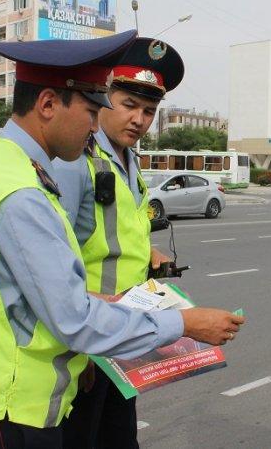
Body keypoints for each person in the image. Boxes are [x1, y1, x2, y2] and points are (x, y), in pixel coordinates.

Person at [0, 32, 244, 449]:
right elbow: (73, 318)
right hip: (11, 400)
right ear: (46, 104)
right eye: (91, 110)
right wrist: (185, 324)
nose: (96, 125)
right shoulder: (25, 192)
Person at [52, 37, 188, 448]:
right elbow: (56, 257)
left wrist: (149, 253)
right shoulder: (77, 161)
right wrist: (82, 350)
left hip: (122, 335)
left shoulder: (131, 161)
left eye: (149, 111)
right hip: (87, 338)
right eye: (128, 104)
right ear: (104, 98)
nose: (139, 119)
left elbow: (114, 233)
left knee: (119, 438)